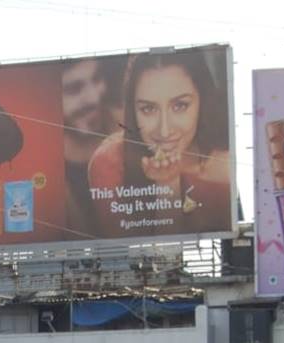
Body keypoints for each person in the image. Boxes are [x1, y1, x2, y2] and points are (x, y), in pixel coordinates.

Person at [87, 49, 231, 237]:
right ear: (132, 110)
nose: (164, 131)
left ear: (203, 100)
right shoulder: (110, 162)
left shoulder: (231, 163)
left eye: (180, 106)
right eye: (148, 109)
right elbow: (140, 258)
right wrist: (167, 184)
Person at [60, 58, 114, 236]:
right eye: (74, 89)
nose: (95, 97)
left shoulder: (136, 129)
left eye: (97, 78)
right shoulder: (37, 164)